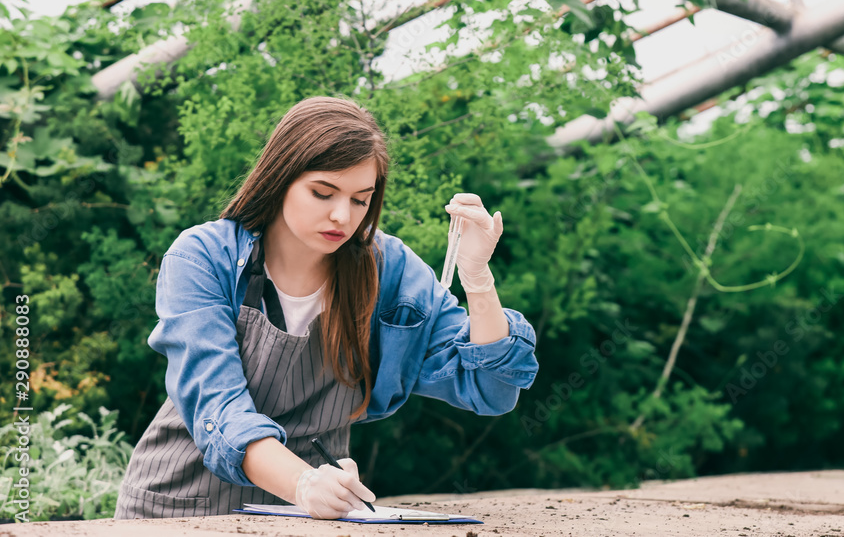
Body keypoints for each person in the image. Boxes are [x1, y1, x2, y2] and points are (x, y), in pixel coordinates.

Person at [114, 96, 539, 520]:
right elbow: (220, 411)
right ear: (280, 177)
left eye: (360, 200)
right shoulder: (203, 258)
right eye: (323, 192)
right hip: (180, 509)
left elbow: (491, 389)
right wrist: (303, 483)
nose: (342, 215)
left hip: (314, 518)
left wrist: (477, 277)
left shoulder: (389, 271)